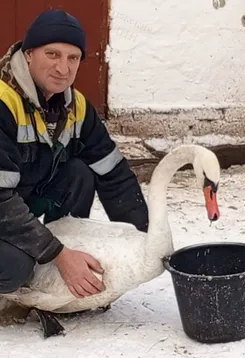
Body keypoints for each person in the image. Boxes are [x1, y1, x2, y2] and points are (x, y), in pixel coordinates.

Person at [0, 9, 149, 300]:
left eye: (73, 58)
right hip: (3, 206)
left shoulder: (76, 107)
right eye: (52, 54)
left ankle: (59, 270)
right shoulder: (3, 103)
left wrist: (145, 240)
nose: (63, 68)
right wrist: (57, 253)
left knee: (79, 173)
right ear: (29, 54)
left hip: (19, 200)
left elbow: (113, 173)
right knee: (16, 267)